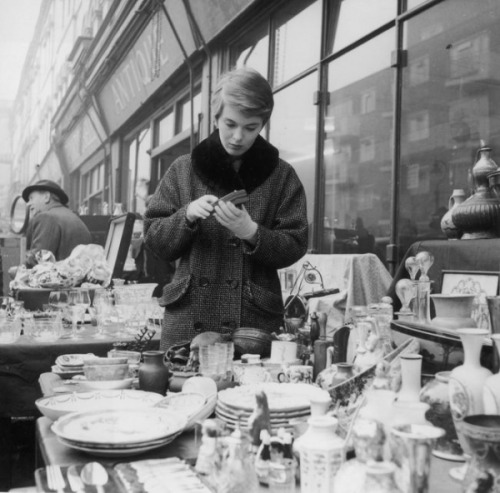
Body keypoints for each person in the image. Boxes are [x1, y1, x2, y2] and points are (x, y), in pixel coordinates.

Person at [144, 67, 309, 351]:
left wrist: (252, 233)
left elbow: (296, 244)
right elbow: (155, 240)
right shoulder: (183, 170)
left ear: (262, 124)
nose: (237, 136)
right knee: (182, 391)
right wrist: (187, 216)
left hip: (252, 323)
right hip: (188, 318)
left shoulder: (281, 176)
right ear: (216, 117)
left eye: (250, 127)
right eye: (230, 124)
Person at [22, 179, 92, 264]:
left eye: (31, 198)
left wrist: (15, 269)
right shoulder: (74, 217)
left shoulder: (46, 217)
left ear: (46, 197)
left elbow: (37, 261)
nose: (28, 204)